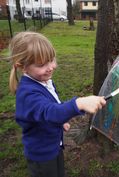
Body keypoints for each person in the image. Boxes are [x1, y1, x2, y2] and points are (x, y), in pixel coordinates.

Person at [8, 31, 106, 177]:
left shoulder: (43, 80)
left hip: (54, 146)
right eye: (42, 64)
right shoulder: (28, 94)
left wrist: (59, 123)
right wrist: (78, 103)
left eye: (52, 59)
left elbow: (52, 105)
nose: (51, 67)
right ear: (22, 66)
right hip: (42, 155)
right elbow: (49, 111)